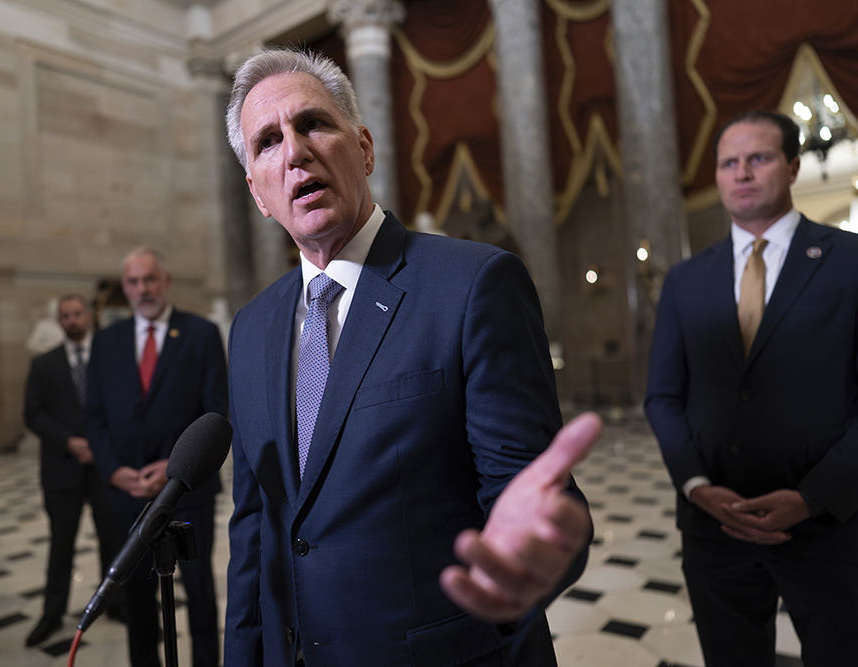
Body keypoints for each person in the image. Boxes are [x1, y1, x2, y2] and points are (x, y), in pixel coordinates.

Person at [222, 48, 595, 666]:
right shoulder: (250, 327)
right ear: (258, 193)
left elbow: (525, 492)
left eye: (313, 123)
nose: (294, 152)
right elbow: (254, 531)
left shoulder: (473, 286)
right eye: (267, 142)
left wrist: (530, 552)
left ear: (364, 148)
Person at [645, 110, 858, 667]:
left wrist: (812, 497)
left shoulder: (850, 263)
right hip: (714, 527)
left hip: (830, 525)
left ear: (791, 166)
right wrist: (695, 485)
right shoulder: (686, 279)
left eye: (757, 158)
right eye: (728, 163)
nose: (741, 173)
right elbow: (663, 398)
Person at [86, 247, 228, 667]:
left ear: (165, 281)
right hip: (125, 492)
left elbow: (216, 412)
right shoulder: (106, 340)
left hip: (188, 490)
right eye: (132, 282)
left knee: (200, 594)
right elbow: (94, 417)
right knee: (137, 598)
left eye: (149, 279)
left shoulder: (201, 334)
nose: (142, 289)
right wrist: (114, 472)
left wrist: (172, 469)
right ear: (124, 288)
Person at [23, 295, 121, 647]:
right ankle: (52, 613)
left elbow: (123, 406)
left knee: (112, 539)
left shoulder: (110, 358)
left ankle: (115, 604)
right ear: (60, 320)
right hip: (62, 468)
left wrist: (100, 443)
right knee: (61, 544)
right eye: (65, 316)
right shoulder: (44, 364)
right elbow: (32, 413)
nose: (72, 320)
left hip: (104, 466)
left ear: (88, 316)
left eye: (77, 314)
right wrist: (69, 441)